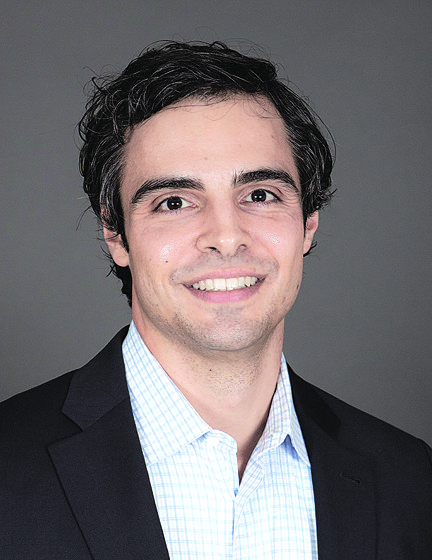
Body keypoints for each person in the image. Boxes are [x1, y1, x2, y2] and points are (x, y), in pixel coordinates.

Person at [1, 41, 431, 560]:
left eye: (260, 195)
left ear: (308, 223)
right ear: (116, 235)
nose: (226, 237)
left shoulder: (410, 481)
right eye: (174, 202)